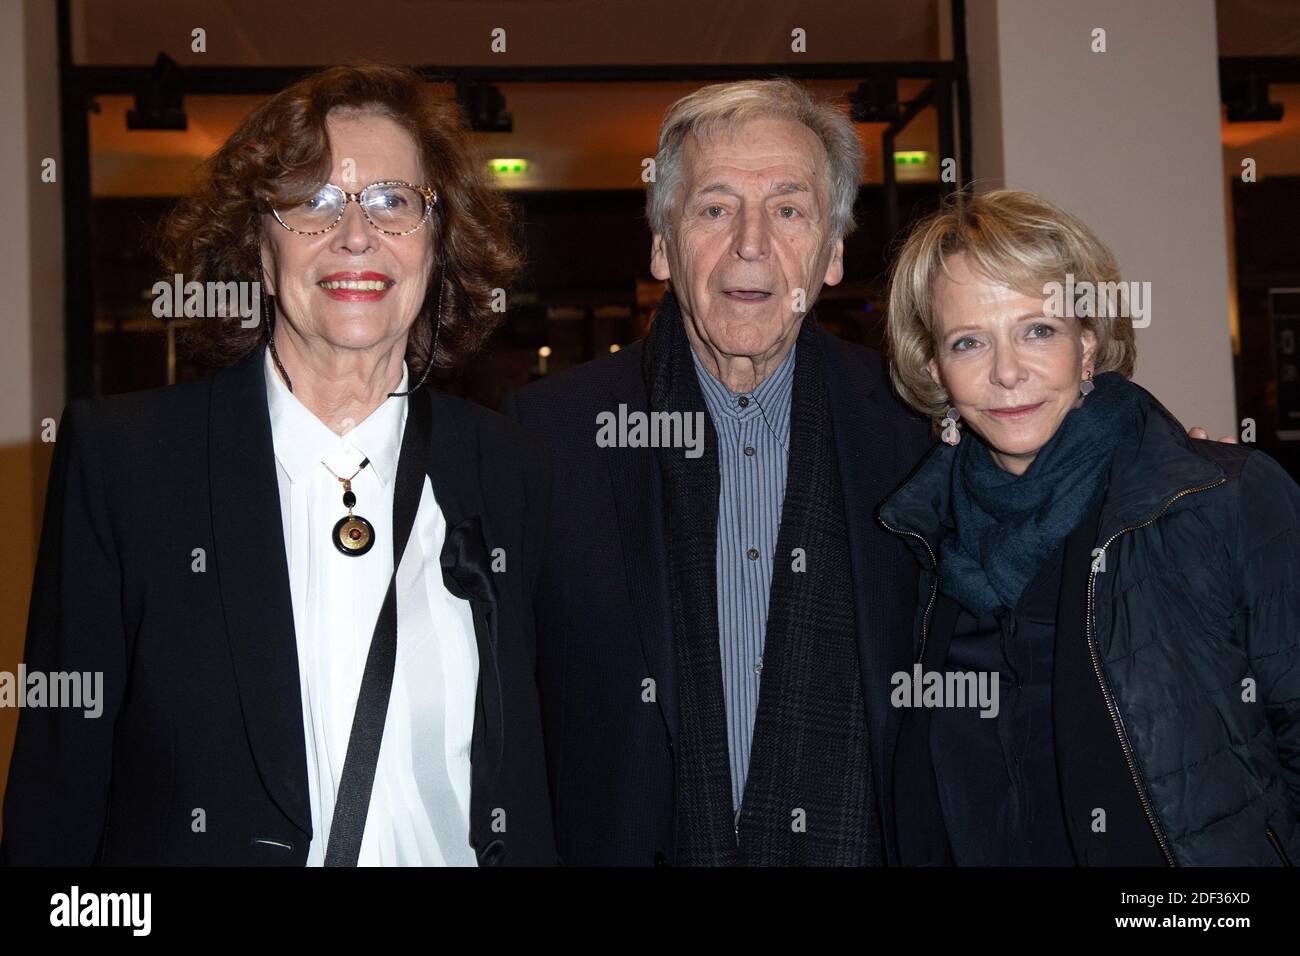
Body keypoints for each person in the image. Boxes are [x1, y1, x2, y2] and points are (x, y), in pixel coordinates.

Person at [1, 63, 555, 866]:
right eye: (314, 201)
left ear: (437, 245)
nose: (356, 235)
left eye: (394, 202)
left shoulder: (510, 470)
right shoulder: (127, 466)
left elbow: (533, 780)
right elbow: (59, 795)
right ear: (258, 253)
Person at [504, 78, 932, 865]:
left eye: (789, 209)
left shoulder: (915, 428)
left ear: (833, 253)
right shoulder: (548, 439)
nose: (750, 242)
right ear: (663, 246)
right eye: (714, 207)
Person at [878, 189, 1300, 866]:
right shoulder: (914, 540)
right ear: (934, 370)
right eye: (968, 342)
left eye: (1037, 330)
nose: (1008, 371)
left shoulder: (1222, 500)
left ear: (1089, 346)